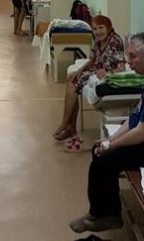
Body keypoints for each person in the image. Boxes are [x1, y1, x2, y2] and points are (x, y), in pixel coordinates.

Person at [69, 32, 144, 232]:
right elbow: (134, 119)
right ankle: (100, 211)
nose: (128, 61)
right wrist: (109, 140)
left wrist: (111, 145)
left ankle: (108, 216)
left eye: (133, 56)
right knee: (100, 151)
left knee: (103, 160)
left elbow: (142, 133)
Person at [52, 15, 126, 152]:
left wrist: (108, 72)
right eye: (95, 29)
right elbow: (92, 60)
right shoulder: (97, 40)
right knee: (72, 78)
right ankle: (69, 127)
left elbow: (121, 67)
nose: (98, 32)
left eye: (101, 28)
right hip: (94, 71)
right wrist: (79, 70)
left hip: (105, 75)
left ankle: (67, 125)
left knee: (72, 84)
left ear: (108, 27)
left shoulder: (115, 41)